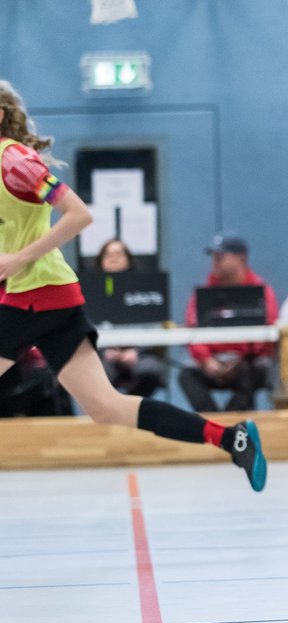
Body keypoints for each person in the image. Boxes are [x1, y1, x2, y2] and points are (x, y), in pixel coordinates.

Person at [0, 80, 267, 490]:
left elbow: (78, 214)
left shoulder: (15, 162)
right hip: (46, 299)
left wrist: (17, 260)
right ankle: (232, 439)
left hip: (32, 296)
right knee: (106, 407)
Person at [178, 233, 278, 413]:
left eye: (221, 256)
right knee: (187, 375)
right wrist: (206, 360)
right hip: (214, 360)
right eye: (213, 257)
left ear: (240, 258)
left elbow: (267, 331)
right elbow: (192, 329)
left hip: (246, 362)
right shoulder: (204, 293)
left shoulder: (261, 290)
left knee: (257, 370)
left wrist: (242, 359)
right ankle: (212, 423)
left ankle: (230, 423)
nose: (215, 262)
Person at [94, 238, 167, 399]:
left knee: (151, 371)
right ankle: (109, 417)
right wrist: (105, 349)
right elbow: (86, 326)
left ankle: (131, 412)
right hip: (106, 353)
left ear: (128, 259)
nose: (113, 258)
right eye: (107, 255)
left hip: (140, 353)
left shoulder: (144, 288)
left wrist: (136, 351)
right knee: (95, 374)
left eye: (118, 254)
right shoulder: (92, 291)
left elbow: (155, 325)